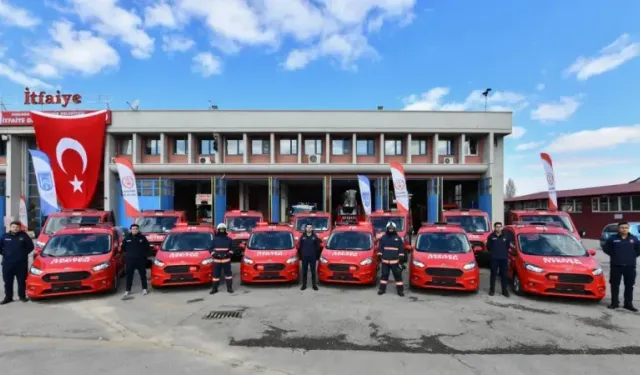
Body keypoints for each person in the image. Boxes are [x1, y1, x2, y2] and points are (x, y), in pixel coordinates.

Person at [603, 221, 640, 312]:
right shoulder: (612, 238)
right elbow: (606, 248)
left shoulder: (634, 239)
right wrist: (615, 255)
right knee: (615, 285)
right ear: (618, 229)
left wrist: (631, 256)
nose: (624, 229)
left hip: (630, 266)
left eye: (626, 228)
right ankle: (614, 303)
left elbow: (638, 250)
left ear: (628, 229)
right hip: (616, 266)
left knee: (629, 286)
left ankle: (628, 304)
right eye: (622, 227)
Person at [0, 221, 34, 304]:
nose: (15, 229)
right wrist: (5, 253)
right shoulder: (5, 236)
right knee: (7, 281)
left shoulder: (24, 236)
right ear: (10, 227)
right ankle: (8, 297)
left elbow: (31, 246)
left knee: (21, 281)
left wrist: (22, 253)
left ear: (19, 228)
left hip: (21, 263)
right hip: (8, 263)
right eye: (13, 227)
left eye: (17, 227)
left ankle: (22, 296)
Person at [377, 222, 405, 297]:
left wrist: (401, 258)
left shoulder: (398, 239)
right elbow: (380, 247)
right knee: (384, 276)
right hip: (385, 261)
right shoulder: (383, 238)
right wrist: (379, 255)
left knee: (398, 276)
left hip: (395, 262)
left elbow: (401, 249)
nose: (391, 229)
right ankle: (382, 289)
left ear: (394, 229)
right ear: (387, 228)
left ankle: (400, 291)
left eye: (392, 228)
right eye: (389, 228)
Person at [122, 223, 149, 298]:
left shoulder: (142, 238)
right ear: (130, 230)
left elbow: (147, 247)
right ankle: (128, 290)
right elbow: (123, 248)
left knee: (143, 275)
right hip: (130, 260)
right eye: (133, 229)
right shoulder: (127, 238)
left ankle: (144, 289)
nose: (135, 230)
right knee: (129, 276)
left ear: (138, 230)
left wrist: (145, 256)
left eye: (136, 229)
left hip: (140, 260)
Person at [487, 222, 511, 297]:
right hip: (494, 258)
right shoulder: (491, 236)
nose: (498, 228)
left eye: (500, 227)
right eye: (497, 227)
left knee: (504, 275)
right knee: (493, 275)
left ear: (502, 227)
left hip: (503, 259)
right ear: (494, 228)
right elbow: (488, 247)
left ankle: (504, 291)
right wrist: (494, 252)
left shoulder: (506, 236)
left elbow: (507, 246)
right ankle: (492, 290)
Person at [210, 223, 234, 294]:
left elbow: (232, 249)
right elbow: (210, 249)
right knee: (215, 275)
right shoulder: (214, 240)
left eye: (223, 229)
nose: (221, 231)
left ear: (225, 230)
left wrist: (229, 254)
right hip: (217, 261)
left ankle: (229, 288)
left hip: (226, 261)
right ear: (218, 230)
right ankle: (214, 288)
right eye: (220, 230)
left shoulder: (229, 239)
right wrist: (215, 255)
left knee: (228, 275)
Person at [297, 223, 322, 291]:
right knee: (304, 271)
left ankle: (314, 285)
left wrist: (315, 254)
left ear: (312, 229)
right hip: (305, 257)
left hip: (312, 257)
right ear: (305, 228)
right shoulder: (303, 237)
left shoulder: (315, 237)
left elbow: (318, 247)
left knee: (313, 271)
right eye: (308, 227)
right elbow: (300, 247)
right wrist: (302, 255)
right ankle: (304, 285)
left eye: (310, 227)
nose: (309, 228)